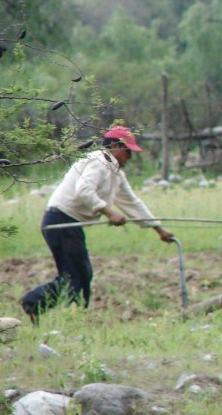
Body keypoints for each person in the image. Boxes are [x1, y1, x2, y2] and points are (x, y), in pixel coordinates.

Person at [20, 125, 175, 324]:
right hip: (61, 220)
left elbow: (132, 204)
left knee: (81, 274)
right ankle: (39, 305)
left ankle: (67, 313)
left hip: (70, 224)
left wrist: (159, 229)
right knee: (75, 276)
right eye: (128, 151)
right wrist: (109, 213)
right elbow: (83, 191)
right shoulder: (98, 162)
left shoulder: (115, 172)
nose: (130, 157)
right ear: (116, 147)